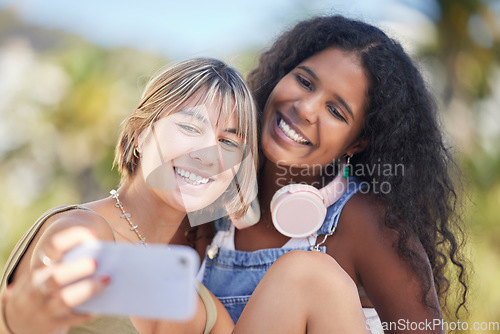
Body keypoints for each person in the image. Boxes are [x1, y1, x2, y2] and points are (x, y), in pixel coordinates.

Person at [0, 57, 370, 334]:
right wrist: (19, 316)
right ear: (142, 132)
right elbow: (29, 312)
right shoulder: (86, 231)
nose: (207, 154)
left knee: (311, 274)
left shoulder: (189, 291)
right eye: (190, 126)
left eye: (227, 141)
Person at [198, 15, 468, 334]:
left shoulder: (369, 223)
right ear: (280, 75)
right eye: (304, 81)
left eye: (336, 111)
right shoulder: (211, 197)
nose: (307, 108)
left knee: (306, 273)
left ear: (357, 143)